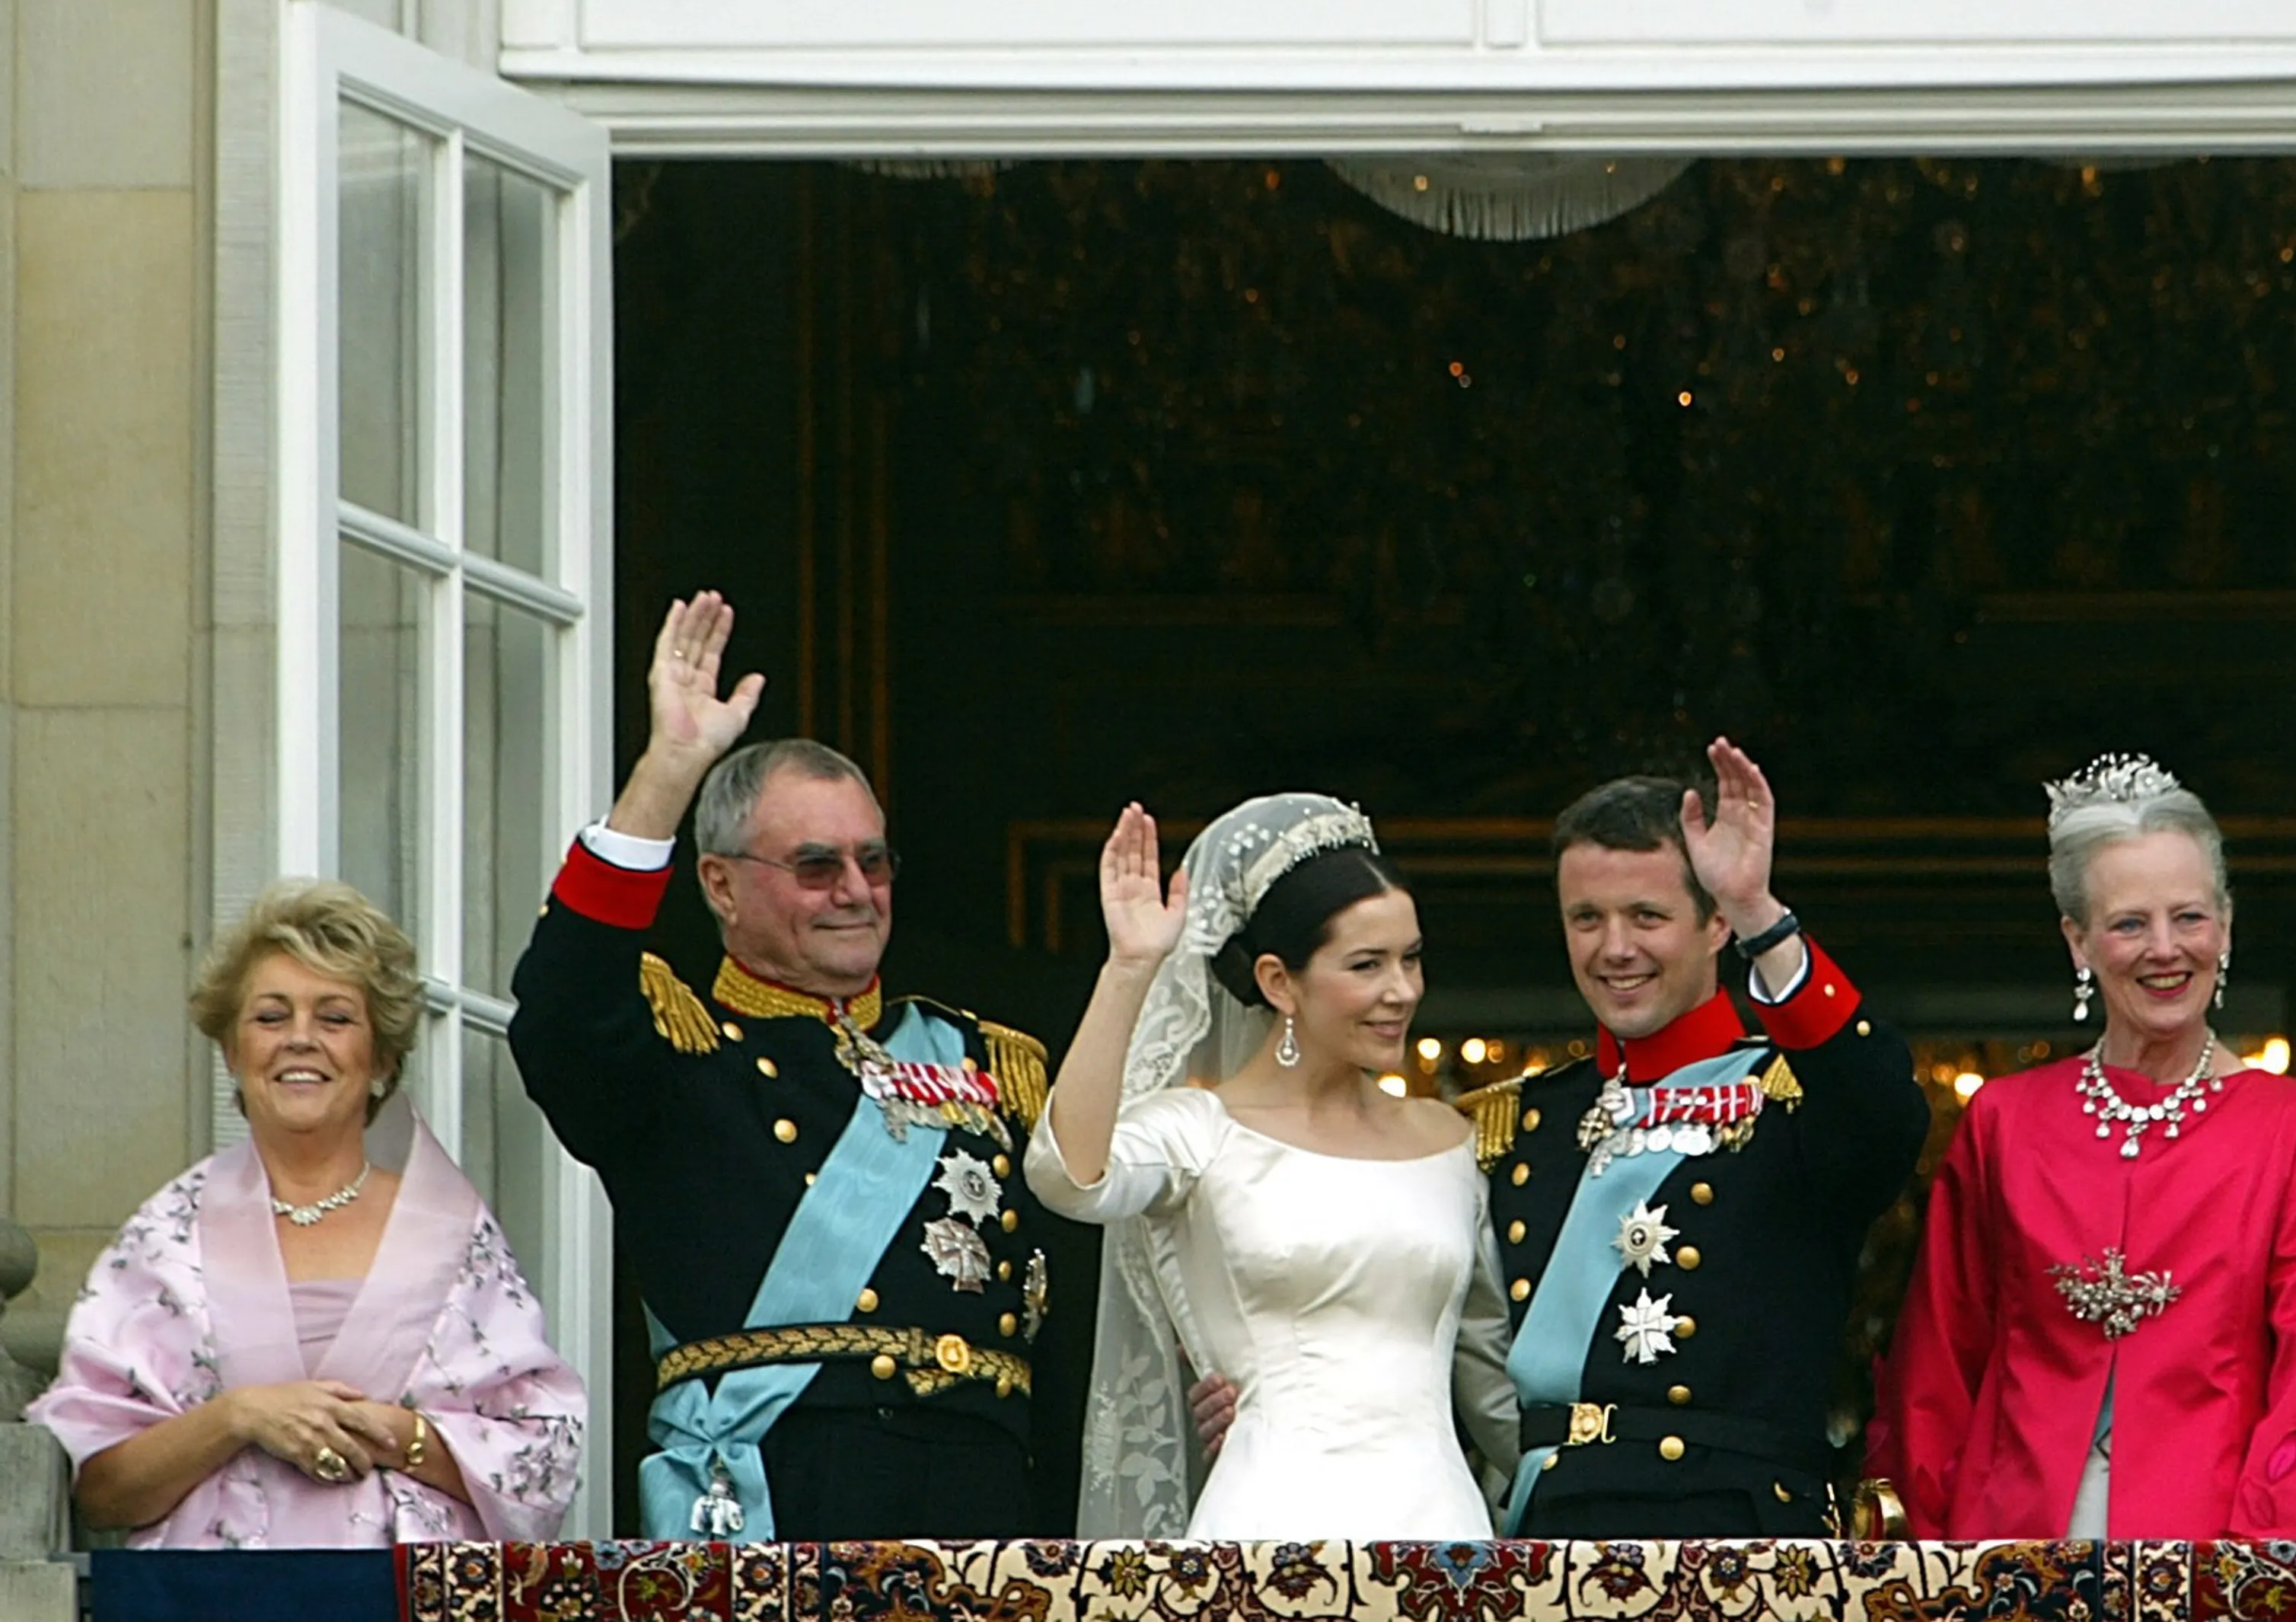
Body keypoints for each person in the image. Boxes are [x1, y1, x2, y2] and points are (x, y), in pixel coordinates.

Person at [505, 591, 1057, 1541]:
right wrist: (667, 775)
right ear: (719, 882)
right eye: (815, 866)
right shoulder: (677, 1055)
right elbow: (561, 1003)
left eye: (873, 862)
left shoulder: (985, 1059)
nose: (855, 892)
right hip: (782, 1486)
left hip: (980, 1496)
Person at [1863, 755, 2296, 1538]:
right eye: (2130, 923)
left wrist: (2270, 1578)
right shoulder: (2005, 1120)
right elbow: (1938, 1364)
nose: (2164, 949)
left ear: (2226, 927)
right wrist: (1924, 1563)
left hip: (2216, 1555)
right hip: (2008, 1547)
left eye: (2190, 917)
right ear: (2079, 941)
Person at [29, 881, 585, 1547]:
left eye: (335, 1017)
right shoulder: (168, 1234)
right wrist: (239, 1416)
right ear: (232, 1051)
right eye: (270, 1017)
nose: (300, 1039)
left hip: (403, 1597)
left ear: (380, 1056)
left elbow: (542, 1464)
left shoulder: (453, 1233)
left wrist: (389, 1432)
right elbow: (100, 1491)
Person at [1464, 739, 1926, 1536]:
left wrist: (1763, 917)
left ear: (1715, 923)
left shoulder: (1792, 1096)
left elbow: (1884, 1114)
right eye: (1587, 918)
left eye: (1648, 916)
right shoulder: (1526, 1119)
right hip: (1547, 1534)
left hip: (1732, 1532)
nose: (1615, 948)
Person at [1026, 796, 1517, 1538]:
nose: (1403, 991)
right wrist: (1130, 967)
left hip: (1444, 1534)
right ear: (1280, 981)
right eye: (1367, 964)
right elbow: (1067, 1175)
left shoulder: (1449, 1141)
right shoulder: (1199, 1133)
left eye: (1411, 958)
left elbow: (1494, 1386)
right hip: (1266, 1527)